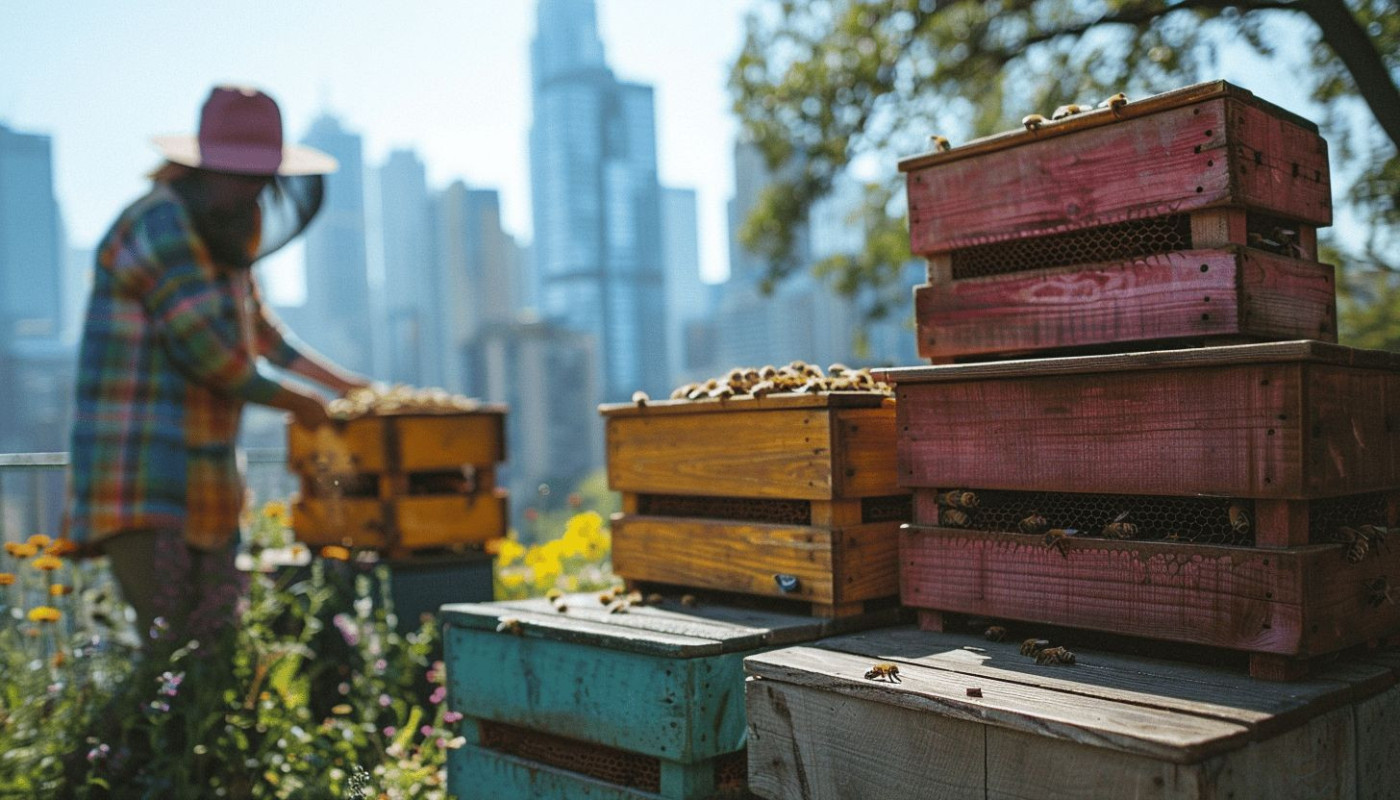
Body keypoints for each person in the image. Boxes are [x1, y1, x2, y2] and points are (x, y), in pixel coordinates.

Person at [65, 85, 370, 646]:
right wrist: (303, 404)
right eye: (239, 172)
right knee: (173, 651)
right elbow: (209, 354)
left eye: (259, 175)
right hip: (139, 475)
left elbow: (261, 335)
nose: (251, 187)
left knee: (219, 647)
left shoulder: (225, 227)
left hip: (206, 483)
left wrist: (348, 386)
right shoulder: (159, 224)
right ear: (201, 167)